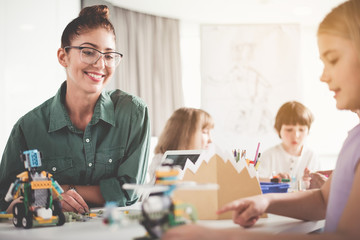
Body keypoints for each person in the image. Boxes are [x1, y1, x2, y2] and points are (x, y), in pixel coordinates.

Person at [162, 0, 360, 239]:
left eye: (334, 59)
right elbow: (322, 199)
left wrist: (215, 236)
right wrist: (264, 200)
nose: (323, 76)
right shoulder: (355, 136)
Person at [0, 5, 150, 214]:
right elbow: (5, 197)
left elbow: (129, 191)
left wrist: (56, 191)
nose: (100, 64)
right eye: (88, 52)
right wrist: (32, 201)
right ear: (63, 57)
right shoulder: (28, 128)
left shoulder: (133, 113)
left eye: (109, 56)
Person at [258, 101, 320, 189]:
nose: (296, 135)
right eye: (289, 130)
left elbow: (318, 191)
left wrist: (309, 183)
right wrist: (273, 181)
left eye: (301, 130)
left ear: (308, 131)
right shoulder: (268, 156)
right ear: (277, 130)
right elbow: (255, 183)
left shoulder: (312, 157)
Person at [147, 107, 214, 184]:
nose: (210, 140)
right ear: (186, 135)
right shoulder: (161, 163)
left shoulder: (206, 162)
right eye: (205, 132)